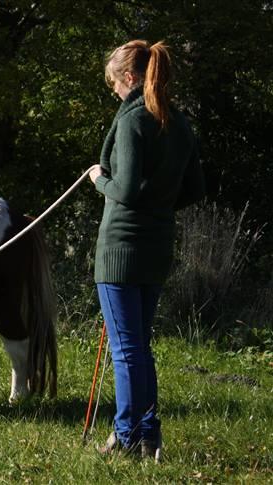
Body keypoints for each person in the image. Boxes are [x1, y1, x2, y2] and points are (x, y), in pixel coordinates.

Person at [88, 40, 205, 460]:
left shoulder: (133, 120)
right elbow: (195, 189)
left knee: (127, 349)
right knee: (139, 345)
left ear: (131, 78)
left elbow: (126, 188)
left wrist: (98, 179)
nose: (116, 93)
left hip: (121, 247)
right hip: (157, 247)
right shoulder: (178, 122)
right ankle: (149, 436)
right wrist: (159, 206)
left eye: (115, 84)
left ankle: (124, 438)